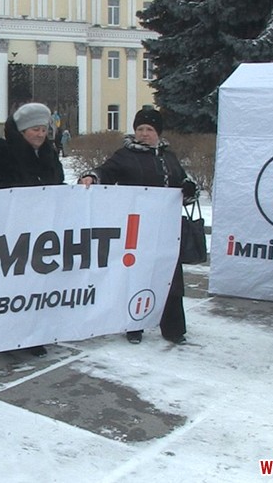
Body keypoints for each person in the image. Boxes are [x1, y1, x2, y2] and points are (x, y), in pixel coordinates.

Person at [79, 108, 197, 345]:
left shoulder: (169, 157)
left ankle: (174, 328)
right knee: (137, 276)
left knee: (170, 277)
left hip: (166, 230)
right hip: (136, 229)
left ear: (158, 133)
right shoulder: (125, 155)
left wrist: (188, 188)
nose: (144, 133)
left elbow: (182, 185)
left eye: (149, 129)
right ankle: (134, 325)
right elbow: (105, 172)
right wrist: (92, 177)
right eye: (140, 129)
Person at [0, 102, 65, 357]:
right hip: (13, 229)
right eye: (35, 130)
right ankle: (5, 336)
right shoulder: (2, 151)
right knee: (12, 286)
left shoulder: (49, 153)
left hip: (43, 229)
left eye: (43, 129)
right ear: (22, 131)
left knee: (37, 284)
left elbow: (58, 182)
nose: (40, 134)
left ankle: (32, 335)